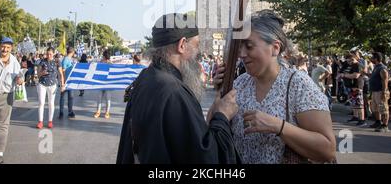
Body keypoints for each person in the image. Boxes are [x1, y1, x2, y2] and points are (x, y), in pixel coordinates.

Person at [213, 10, 336, 164]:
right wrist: (219, 92)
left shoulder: (299, 85)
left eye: (249, 46)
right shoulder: (240, 84)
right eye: (240, 47)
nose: (242, 54)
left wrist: (278, 126)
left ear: (275, 48)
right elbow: (212, 132)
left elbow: (328, 150)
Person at [116, 13, 239, 164]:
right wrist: (222, 116)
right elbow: (206, 158)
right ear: (182, 45)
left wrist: (215, 107)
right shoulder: (173, 92)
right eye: (196, 44)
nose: (197, 53)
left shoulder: (147, 76)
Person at [36, 47, 62, 129]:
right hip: (42, 84)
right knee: (41, 103)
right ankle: (40, 122)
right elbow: (38, 74)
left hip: (52, 85)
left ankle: (50, 121)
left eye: (50, 54)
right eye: (47, 54)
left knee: (51, 103)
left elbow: (60, 74)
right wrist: (42, 73)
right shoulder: (42, 61)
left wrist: (63, 84)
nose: (48, 55)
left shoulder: (57, 62)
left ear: (54, 54)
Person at [340, 53, 366, 126]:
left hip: (357, 87)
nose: (349, 62)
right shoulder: (353, 65)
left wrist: (344, 75)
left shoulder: (357, 65)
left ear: (353, 58)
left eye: (350, 60)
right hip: (352, 87)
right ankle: (356, 117)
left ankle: (362, 120)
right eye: (348, 61)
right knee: (354, 103)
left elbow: (356, 75)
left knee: (359, 104)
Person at [368, 52, 390, 132]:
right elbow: (374, 77)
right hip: (375, 91)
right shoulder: (376, 67)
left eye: (372, 58)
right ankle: (378, 122)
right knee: (375, 108)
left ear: (376, 59)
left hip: (380, 91)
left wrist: (384, 92)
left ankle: (385, 126)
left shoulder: (382, 68)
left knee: (383, 108)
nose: (371, 59)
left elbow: (385, 80)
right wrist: (366, 74)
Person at [94, 50, 112, 119]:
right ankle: (98, 111)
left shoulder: (111, 63)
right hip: (100, 83)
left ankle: (107, 112)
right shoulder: (100, 62)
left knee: (108, 98)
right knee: (99, 98)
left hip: (108, 84)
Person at [59, 47, 76, 119]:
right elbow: (63, 71)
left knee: (70, 97)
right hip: (66, 81)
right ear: (72, 52)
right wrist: (63, 82)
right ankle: (62, 112)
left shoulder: (70, 59)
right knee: (64, 97)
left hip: (70, 81)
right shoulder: (65, 60)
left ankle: (69, 111)